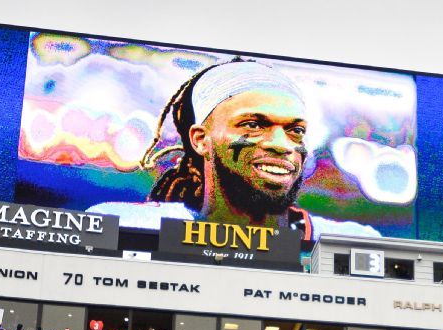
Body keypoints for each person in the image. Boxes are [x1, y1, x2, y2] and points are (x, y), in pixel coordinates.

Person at [89, 59, 380, 239]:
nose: (281, 145)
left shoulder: (349, 240)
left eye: (295, 130)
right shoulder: (126, 223)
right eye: (253, 125)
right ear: (200, 140)